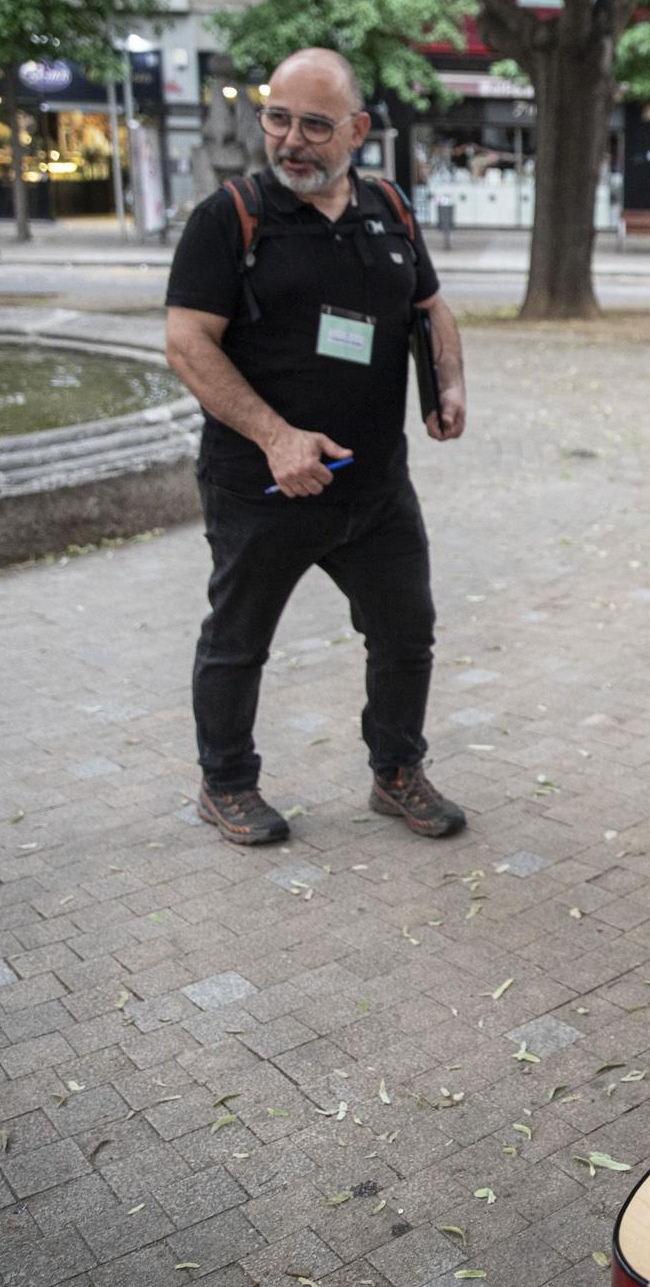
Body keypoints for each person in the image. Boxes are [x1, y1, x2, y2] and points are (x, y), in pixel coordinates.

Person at [164, 48, 468, 847]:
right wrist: (275, 436)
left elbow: (433, 309)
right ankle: (225, 782)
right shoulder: (230, 218)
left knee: (407, 631)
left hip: (375, 489)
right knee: (238, 641)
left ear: (359, 130)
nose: (291, 139)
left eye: (315, 125)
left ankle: (395, 770)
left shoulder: (390, 210)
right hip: (263, 487)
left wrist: (450, 384)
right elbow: (187, 342)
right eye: (278, 118)